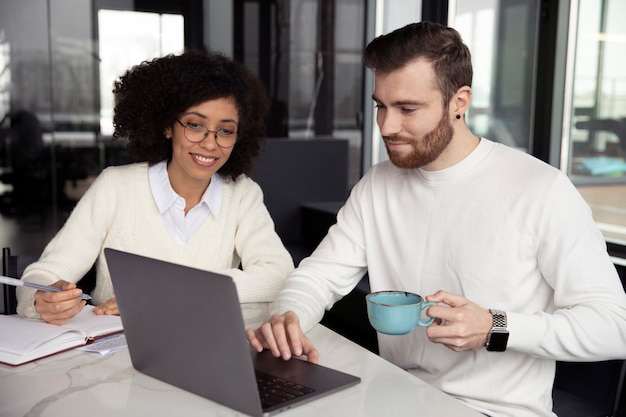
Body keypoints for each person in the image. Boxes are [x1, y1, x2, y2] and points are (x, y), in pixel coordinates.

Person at [246, 21, 626, 417]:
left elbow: (615, 326)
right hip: (396, 397)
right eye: (381, 106)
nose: (387, 127)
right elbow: (318, 277)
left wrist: (495, 326)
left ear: (459, 101)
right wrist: (288, 314)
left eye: (407, 109)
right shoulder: (378, 185)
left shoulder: (542, 189)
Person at [17, 49, 294, 326]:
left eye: (225, 130)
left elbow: (278, 274)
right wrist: (41, 300)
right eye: (195, 125)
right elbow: (40, 277)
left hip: (200, 348)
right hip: (111, 351)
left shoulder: (242, 194)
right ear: (167, 127)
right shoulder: (116, 187)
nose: (210, 143)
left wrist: (173, 292)